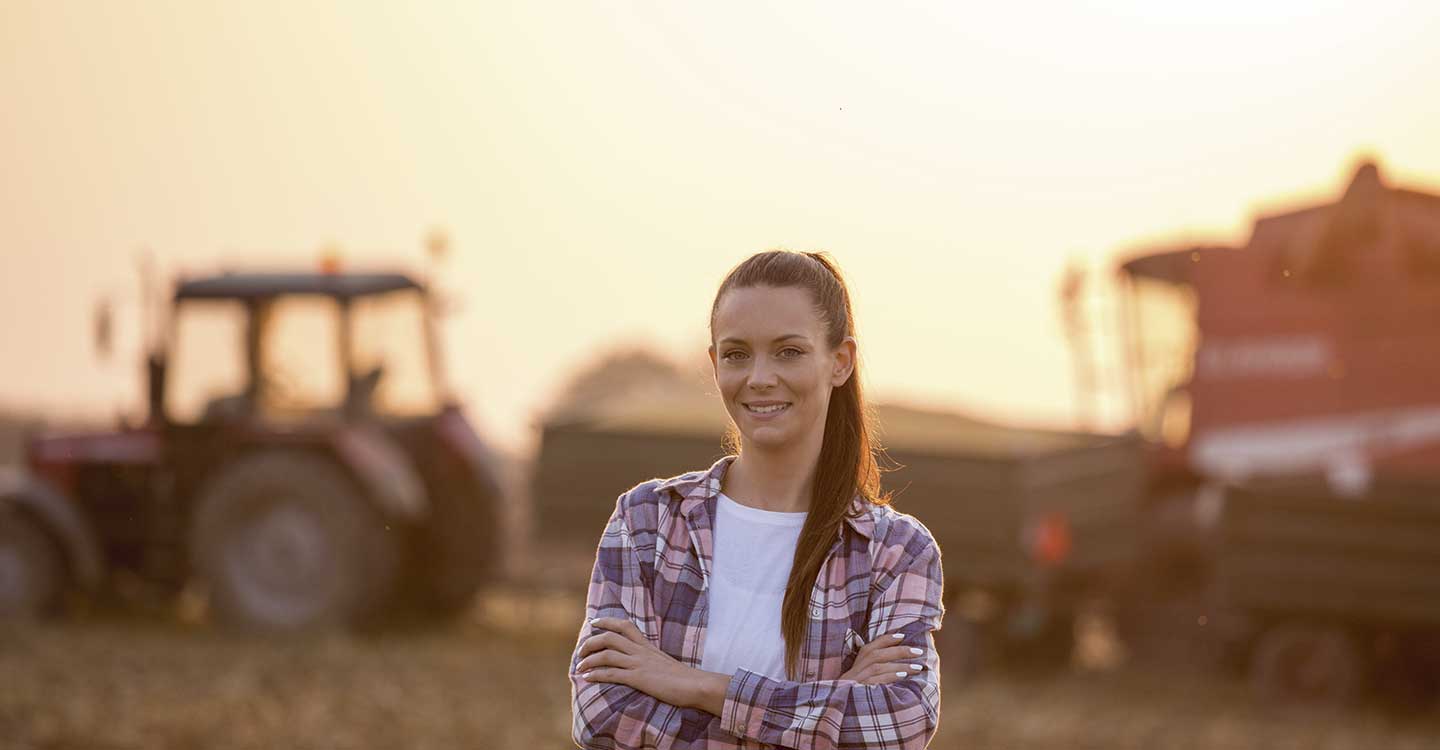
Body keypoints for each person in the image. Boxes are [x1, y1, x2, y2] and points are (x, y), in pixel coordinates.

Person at [569, 250, 944, 749]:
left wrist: (697, 685)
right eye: (737, 353)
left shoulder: (896, 552)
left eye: (788, 351)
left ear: (840, 362)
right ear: (714, 363)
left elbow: (901, 726)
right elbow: (603, 717)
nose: (759, 377)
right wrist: (833, 701)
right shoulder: (647, 522)